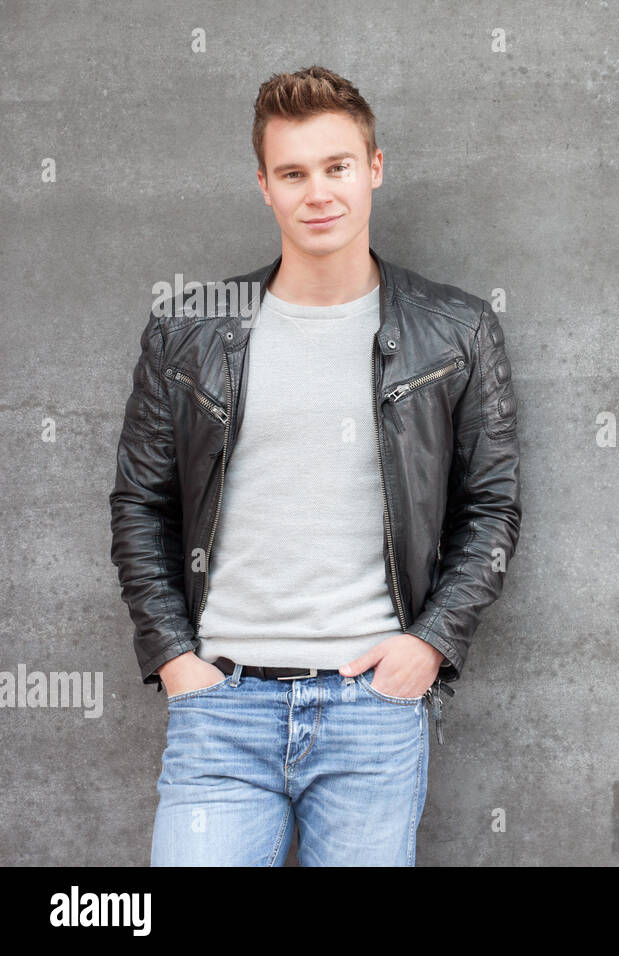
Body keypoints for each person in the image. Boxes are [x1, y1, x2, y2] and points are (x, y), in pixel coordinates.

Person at [108, 65, 522, 866]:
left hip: (373, 709)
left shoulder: (455, 330)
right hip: (221, 708)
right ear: (264, 185)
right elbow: (140, 504)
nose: (318, 192)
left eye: (336, 167)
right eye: (293, 173)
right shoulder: (190, 330)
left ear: (373, 168)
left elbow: (492, 507)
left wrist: (430, 644)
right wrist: (173, 658)